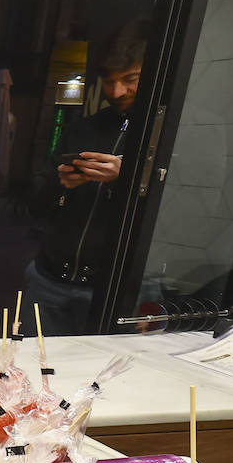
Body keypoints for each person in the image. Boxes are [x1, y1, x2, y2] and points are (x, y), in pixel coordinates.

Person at [26, 20, 146, 335]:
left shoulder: (160, 135)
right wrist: (58, 181)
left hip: (110, 291)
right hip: (47, 278)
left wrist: (125, 178)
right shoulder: (83, 128)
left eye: (130, 79)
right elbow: (35, 204)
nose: (117, 91)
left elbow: (176, 216)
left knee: (95, 379)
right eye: (109, 81)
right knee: (35, 373)